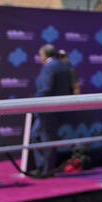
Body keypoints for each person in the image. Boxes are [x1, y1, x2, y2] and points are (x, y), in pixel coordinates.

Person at [30, 44, 73, 176]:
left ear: (44, 55)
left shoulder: (49, 67)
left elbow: (45, 89)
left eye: (40, 55)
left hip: (46, 109)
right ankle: (44, 166)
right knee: (39, 136)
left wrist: (34, 103)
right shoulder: (64, 66)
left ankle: (46, 169)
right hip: (57, 108)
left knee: (45, 138)